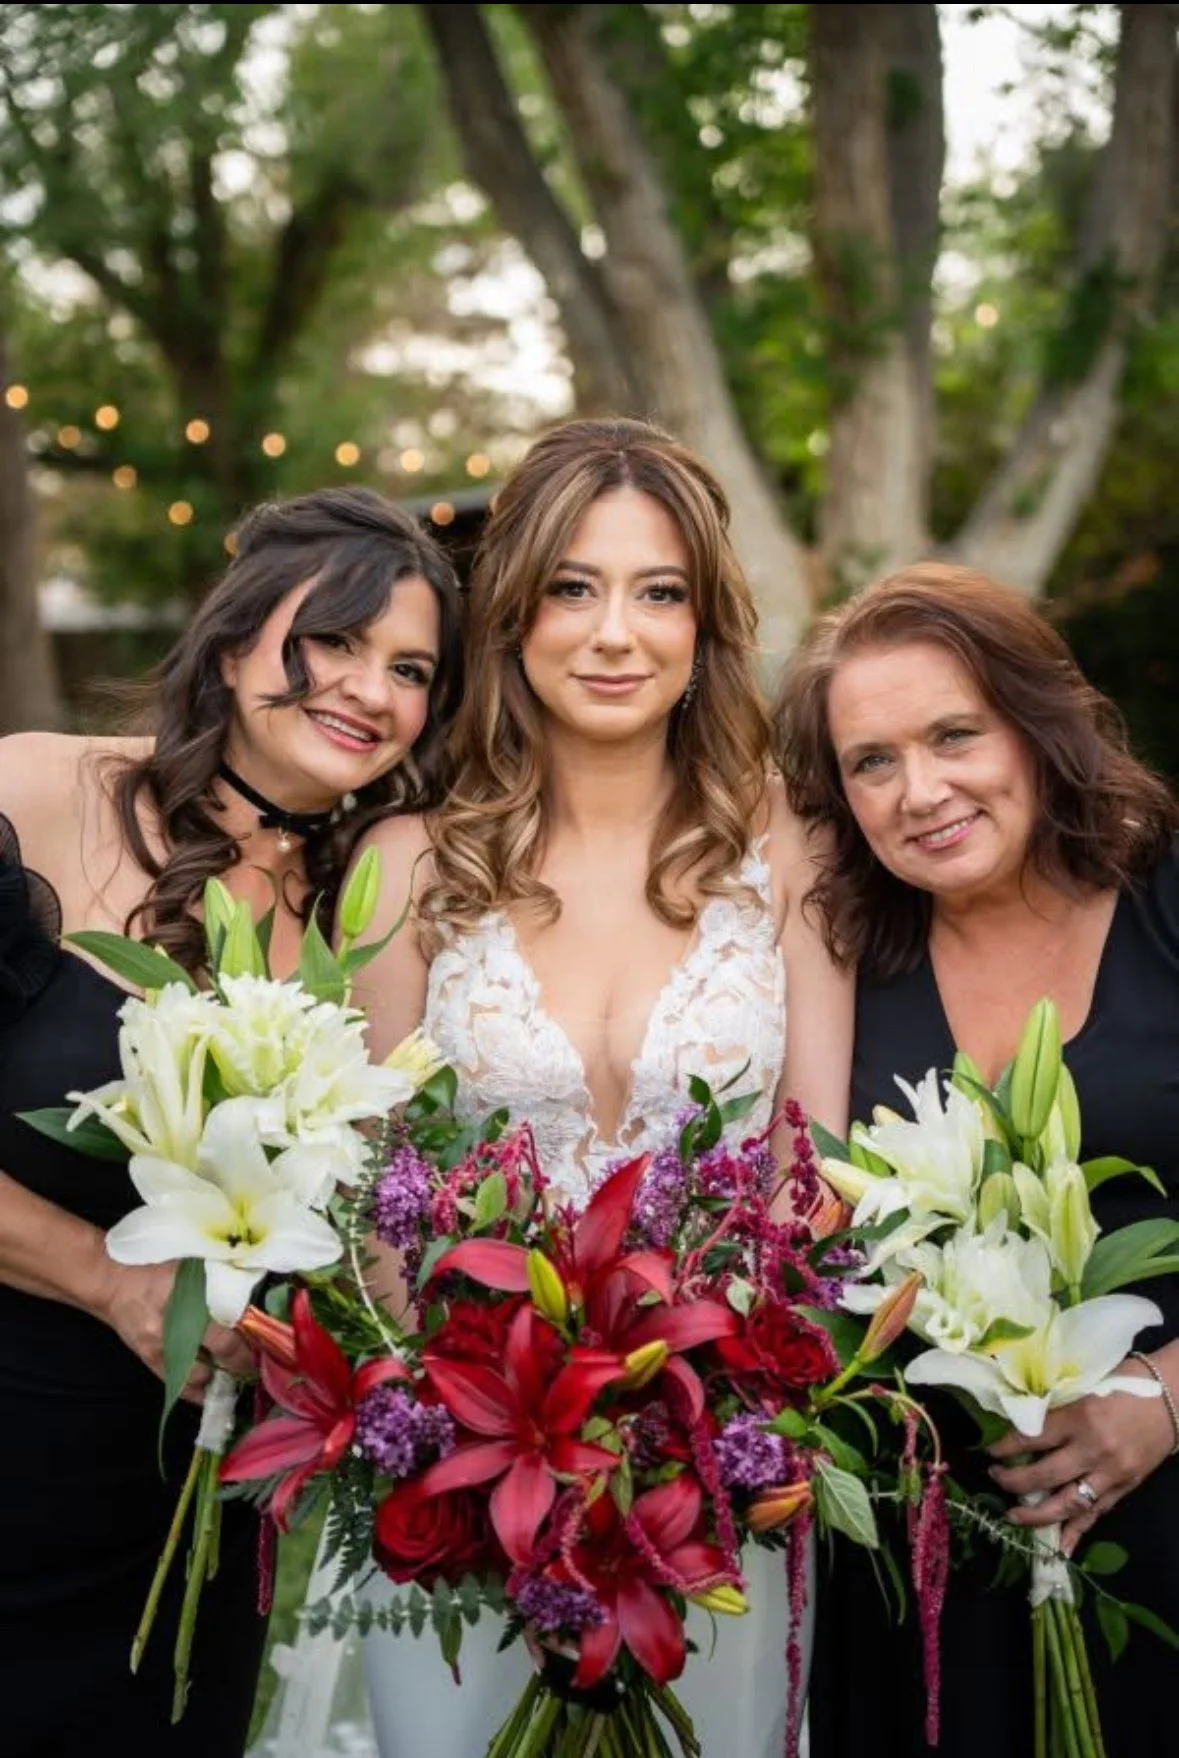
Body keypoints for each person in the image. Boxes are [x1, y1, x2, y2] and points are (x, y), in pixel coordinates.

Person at [329, 415, 854, 1758]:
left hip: (713, 1489)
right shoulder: (405, 866)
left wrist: (679, 1434)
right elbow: (372, 1201)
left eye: (656, 591)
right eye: (572, 587)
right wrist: (477, 1425)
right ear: (511, 617)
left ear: (703, 625)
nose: (613, 632)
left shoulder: (790, 855)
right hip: (463, 1484)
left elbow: (816, 1177)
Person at [0, 485, 463, 1758]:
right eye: (336, 641)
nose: (370, 688)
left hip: (191, 1504)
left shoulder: (365, 916)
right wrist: (103, 1279)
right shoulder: (38, 792)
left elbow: (365, 1221)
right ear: (235, 636)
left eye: (410, 668)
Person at [773, 560, 1179, 1758]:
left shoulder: (1166, 905)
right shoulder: (844, 965)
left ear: (1039, 726)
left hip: (1158, 1515)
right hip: (923, 1563)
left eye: (957, 734)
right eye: (873, 762)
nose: (922, 791)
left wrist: (1164, 1399)